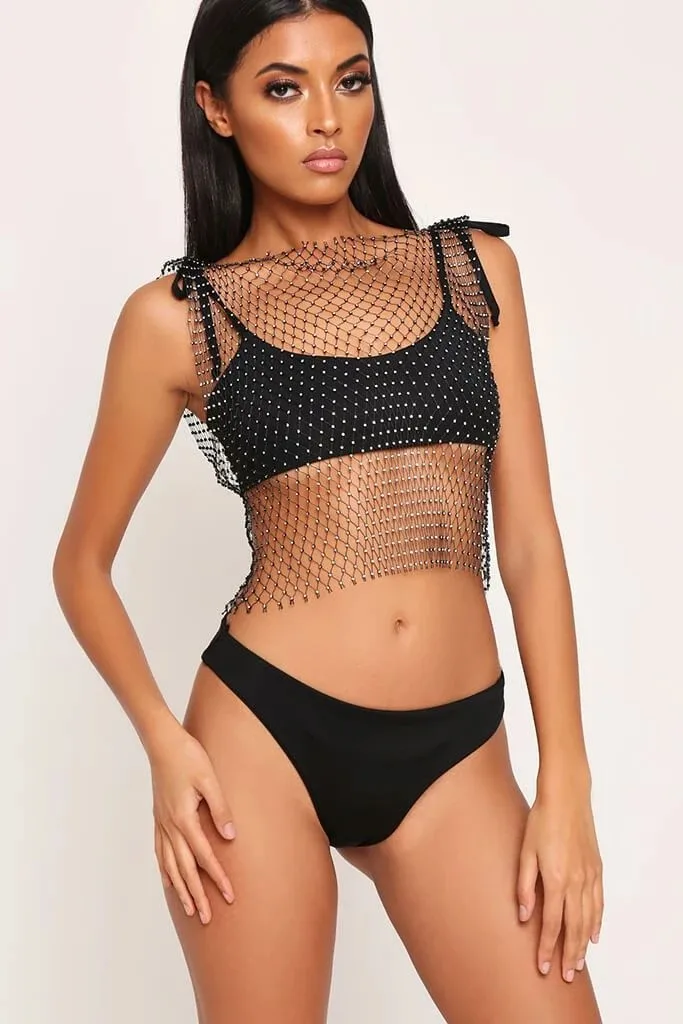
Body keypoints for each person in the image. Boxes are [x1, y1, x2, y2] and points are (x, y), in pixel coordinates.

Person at [52, 1, 604, 1021]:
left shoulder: (474, 269)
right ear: (216, 107)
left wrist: (565, 778)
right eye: (283, 87)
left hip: (457, 755)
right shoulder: (177, 319)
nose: (325, 118)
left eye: (350, 80)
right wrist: (165, 744)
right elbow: (80, 565)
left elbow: (529, 543)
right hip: (261, 740)